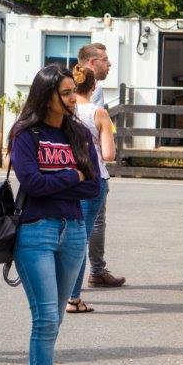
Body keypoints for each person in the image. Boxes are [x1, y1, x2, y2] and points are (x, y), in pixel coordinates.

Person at [10, 64, 100, 365]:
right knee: (46, 318)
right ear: (45, 94)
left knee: (55, 320)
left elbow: (93, 185)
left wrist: (59, 182)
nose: (70, 99)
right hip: (35, 232)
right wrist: (72, 177)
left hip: (73, 231)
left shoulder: (78, 132)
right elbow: (29, 181)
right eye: (63, 93)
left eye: (71, 92)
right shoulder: (25, 134)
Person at [66, 65, 116, 313]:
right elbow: (108, 154)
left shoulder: (65, 111)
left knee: (66, 236)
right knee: (82, 238)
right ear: (94, 87)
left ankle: (64, 292)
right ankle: (73, 298)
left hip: (66, 179)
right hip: (95, 179)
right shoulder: (99, 113)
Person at [75, 43, 125, 288]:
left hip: (70, 171)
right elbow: (106, 150)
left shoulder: (68, 91)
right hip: (92, 172)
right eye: (104, 59)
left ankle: (87, 274)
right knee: (90, 224)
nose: (109, 63)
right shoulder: (91, 96)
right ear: (91, 63)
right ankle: (94, 271)